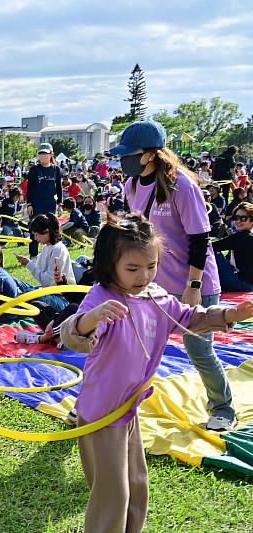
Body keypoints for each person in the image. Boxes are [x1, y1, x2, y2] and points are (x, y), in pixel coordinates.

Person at [59, 213, 253, 533]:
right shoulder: (102, 298)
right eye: (133, 269)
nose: (144, 276)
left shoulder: (156, 297)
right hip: (102, 410)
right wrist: (90, 318)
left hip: (129, 406)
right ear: (109, 265)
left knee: (137, 482)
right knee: (113, 492)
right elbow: (72, 336)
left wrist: (229, 313)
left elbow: (190, 318)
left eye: (151, 266)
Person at [117, 120, 235, 431]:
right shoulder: (131, 186)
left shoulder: (181, 185)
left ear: (150, 154)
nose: (122, 160)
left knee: (199, 348)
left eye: (128, 154)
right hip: (155, 285)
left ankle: (222, 407)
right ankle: (115, 402)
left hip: (194, 283)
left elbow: (200, 239)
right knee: (135, 344)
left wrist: (193, 286)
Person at [14, 213, 76, 287]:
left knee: (22, 294)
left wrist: (28, 264)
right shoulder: (46, 247)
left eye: (36, 235)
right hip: (48, 290)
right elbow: (39, 270)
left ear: (46, 232)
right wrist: (27, 261)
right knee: (14, 282)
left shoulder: (57, 249)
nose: (35, 238)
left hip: (59, 294)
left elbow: (47, 281)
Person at [25, 143, 63, 257]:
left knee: (51, 227)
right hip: (37, 202)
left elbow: (59, 188)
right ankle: (33, 255)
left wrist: (60, 203)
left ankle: (52, 252)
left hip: (50, 202)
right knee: (35, 227)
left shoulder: (56, 169)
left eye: (45, 154)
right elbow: (30, 188)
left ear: (51, 154)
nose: (43, 156)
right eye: (40, 154)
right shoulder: (34, 170)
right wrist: (29, 204)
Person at [213, 202, 253, 292]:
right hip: (247, 284)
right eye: (236, 218)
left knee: (211, 253)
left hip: (242, 285)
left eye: (243, 218)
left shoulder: (242, 237)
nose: (238, 221)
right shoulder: (247, 236)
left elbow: (212, 247)